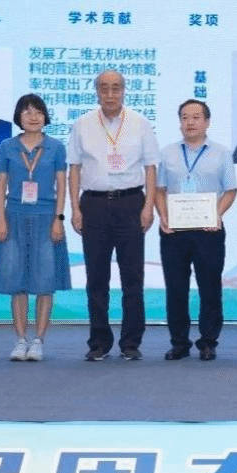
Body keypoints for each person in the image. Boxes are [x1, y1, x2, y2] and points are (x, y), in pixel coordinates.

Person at [67, 70, 159, 361]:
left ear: (124, 91)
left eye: (115, 88)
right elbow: (74, 169)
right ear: (96, 91)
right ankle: (99, 342)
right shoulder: (82, 124)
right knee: (96, 278)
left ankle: (131, 342)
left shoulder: (140, 123)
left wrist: (148, 207)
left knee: (133, 277)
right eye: (104, 88)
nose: (110, 94)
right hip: (93, 205)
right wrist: (75, 209)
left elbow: (151, 168)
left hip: (131, 202)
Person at [155, 99, 237, 362]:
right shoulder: (167, 153)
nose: (190, 122)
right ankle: (179, 342)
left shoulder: (222, 153)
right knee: (175, 289)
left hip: (208, 230)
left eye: (196, 117)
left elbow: (230, 190)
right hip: (174, 232)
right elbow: (159, 190)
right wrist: (163, 216)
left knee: (210, 287)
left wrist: (217, 214)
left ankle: (208, 341)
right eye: (184, 117)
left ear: (207, 122)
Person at [0, 94, 71, 362]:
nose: (33, 117)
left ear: (45, 116)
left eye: (38, 112)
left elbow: (62, 186)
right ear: (19, 117)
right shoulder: (7, 147)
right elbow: (1, 186)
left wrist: (59, 219)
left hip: (46, 217)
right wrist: (0, 219)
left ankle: (38, 341)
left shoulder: (56, 147)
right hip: (14, 216)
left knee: (45, 281)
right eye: (27, 112)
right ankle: (20, 340)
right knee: (17, 282)